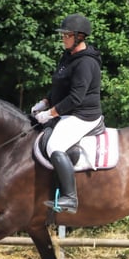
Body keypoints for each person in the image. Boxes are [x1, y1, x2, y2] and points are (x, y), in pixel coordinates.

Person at [32, 13, 103, 214]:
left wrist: (50, 113)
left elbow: (75, 98)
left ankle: (70, 198)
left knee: (55, 145)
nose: (63, 38)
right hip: (67, 112)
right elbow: (60, 85)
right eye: (63, 35)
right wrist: (44, 102)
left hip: (83, 116)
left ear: (79, 37)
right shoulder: (68, 57)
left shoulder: (86, 63)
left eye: (67, 35)